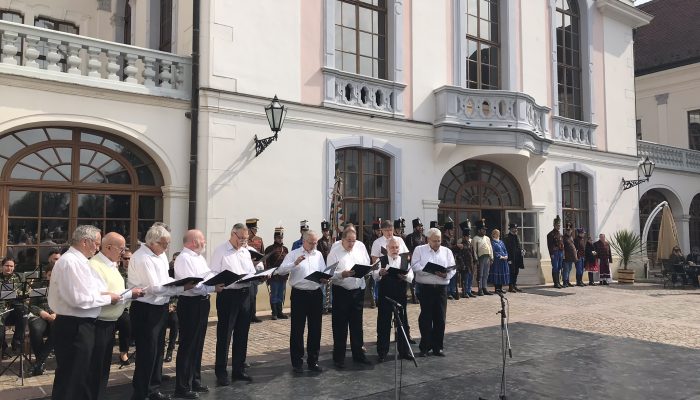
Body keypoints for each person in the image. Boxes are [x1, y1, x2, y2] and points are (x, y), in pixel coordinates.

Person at [48, 225, 121, 400]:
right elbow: (78, 299)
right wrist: (108, 298)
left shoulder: (81, 261)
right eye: (96, 243)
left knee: (80, 376)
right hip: (73, 325)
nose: (98, 247)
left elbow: (92, 289)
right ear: (84, 242)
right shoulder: (70, 262)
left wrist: (105, 294)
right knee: (71, 378)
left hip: (82, 325)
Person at [128, 224, 194, 400]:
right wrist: (181, 288)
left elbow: (165, 280)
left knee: (158, 351)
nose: (167, 247)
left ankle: (153, 388)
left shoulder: (161, 255)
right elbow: (155, 288)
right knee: (147, 352)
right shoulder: (142, 258)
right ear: (152, 242)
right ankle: (141, 392)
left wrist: (179, 282)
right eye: (164, 244)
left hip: (160, 307)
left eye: (168, 243)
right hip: (146, 309)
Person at [88, 232, 145, 400]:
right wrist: (129, 294)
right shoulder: (95, 265)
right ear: (108, 247)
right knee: (95, 369)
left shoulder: (111, 265)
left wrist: (130, 295)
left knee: (103, 369)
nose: (123, 252)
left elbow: (115, 292)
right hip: (98, 323)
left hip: (110, 322)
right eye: (121, 248)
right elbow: (99, 295)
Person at [173, 229, 224, 399]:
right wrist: (212, 288)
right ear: (194, 242)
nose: (205, 242)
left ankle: (195, 380)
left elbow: (206, 276)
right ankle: (182, 386)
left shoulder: (199, 257)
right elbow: (192, 286)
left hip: (202, 303)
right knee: (188, 345)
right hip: (190, 304)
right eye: (202, 239)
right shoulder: (184, 258)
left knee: (198, 344)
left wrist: (218, 278)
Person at [211, 223, 260, 385]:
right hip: (228, 296)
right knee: (225, 335)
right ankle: (221, 371)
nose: (244, 242)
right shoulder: (220, 251)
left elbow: (251, 271)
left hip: (245, 295)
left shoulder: (245, 251)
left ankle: (239, 370)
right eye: (241, 238)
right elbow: (213, 272)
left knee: (242, 334)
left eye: (246, 239)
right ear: (233, 234)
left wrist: (258, 276)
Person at [276, 230, 328, 373]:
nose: (313, 245)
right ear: (304, 241)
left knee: (315, 329)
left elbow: (323, 270)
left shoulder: (318, 255)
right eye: (311, 243)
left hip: (316, 293)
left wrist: (324, 278)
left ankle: (313, 361)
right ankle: (297, 362)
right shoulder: (293, 254)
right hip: (299, 294)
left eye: (315, 243)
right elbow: (281, 270)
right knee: (297, 329)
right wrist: (294, 263)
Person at [327, 229, 373, 368]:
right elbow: (329, 274)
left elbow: (367, 264)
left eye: (353, 241)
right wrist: (342, 274)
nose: (352, 244)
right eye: (349, 241)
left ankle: (358, 355)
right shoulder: (334, 252)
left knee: (357, 325)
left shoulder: (359, 249)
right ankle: (339, 358)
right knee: (340, 326)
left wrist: (367, 271)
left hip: (357, 292)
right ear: (342, 240)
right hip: (341, 292)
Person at [411, 227, 455, 357]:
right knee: (426, 318)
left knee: (440, 318)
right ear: (428, 240)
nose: (437, 243)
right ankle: (425, 347)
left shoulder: (447, 251)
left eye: (439, 240)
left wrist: (445, 275)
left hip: (441, 289)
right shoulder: (419, 250)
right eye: (434, 241)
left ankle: (438, 347)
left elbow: (452, 268)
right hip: (425, 288)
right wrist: (430, 271)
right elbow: (415, 266)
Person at [374, 237, 414, 362]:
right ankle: (382, 352)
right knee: (383, 325)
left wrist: (405, 276)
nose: (395, 250)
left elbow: (411, 277)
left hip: (400, 297)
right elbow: (374, 276)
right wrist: (380, 273)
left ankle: (404, 351)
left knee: (403, 324)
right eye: (392, 247)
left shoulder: (405, 260)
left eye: (397, 247)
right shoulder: (381, 260)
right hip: (385, 297)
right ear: (387, 248)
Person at [28, 265, 54, 376]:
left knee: (58, 329)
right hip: (40, 315)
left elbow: (67, 304)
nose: (53, 277)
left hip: (57, 315)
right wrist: (42, 313)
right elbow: (32, 305)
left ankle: (38, 363)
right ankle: (40, 362)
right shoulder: (38, 286)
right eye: (50, 275)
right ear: (46, 275)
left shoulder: (63, 286)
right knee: (35, 329)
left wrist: (56, 313)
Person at [0, 256, 25, 356]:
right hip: (2, 308)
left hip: (16, 307)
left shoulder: (19, 277)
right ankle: (3, 347)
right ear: (2, 266)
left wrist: (17, 293)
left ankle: (17, 342)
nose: (9, 268)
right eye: (7, 265)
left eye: (11, 266)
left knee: (24, 314)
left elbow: (26, 291)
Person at [265, 226, 289, 320]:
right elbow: (266, 263)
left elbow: (287, 263)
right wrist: (268, 274)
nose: (280, 239)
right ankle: (274, 313)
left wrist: (286, 273)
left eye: (281, 238)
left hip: (283, 276)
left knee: (281, 295)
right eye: (278, 238)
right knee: (274, 294)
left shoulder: (285, 249)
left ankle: (280, 312)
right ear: (275, 238)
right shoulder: (269, 249)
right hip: (274, 276)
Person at [116, 249, 133, 366]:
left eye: (130, 258)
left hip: (135, 305)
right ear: (121, 259)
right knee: (125, 321)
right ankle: (123, 352)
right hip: (121, 307)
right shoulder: (117, 272)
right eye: (125, 258)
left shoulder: (136, 272)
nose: (127, 261)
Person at [246, 218, 264, 324]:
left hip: (256, 271)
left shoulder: (259, 240)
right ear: (249, 230)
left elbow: (262, 256)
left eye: (256, 229)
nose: (255, 231)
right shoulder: (244, 240)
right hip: (246, 272)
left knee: (254, 294)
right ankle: (247, 315)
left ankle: (253, 315)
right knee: (248, 295)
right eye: (254, 229)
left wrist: (264, 272)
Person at [455, 221, 478, 298]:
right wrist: (462, 264)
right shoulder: (461, 243)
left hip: (470, 264)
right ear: (464, 237)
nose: (468, 237)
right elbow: (459, 255)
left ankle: (469, 290)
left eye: (469, 236)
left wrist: (475, 260)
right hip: (465, 264)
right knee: (465, 279)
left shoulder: (469, 243)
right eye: (467, 236)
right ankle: (464, 292)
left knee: (470, 278)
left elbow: (472, 252)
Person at [405, 218, 426, 304]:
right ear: (415, 227)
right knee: (413, 279)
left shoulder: (424, 237)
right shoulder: (410, 237)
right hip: (413, 260)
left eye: (421, 226)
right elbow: (409, 249)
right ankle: (414, 296)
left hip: (422, 260)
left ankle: (420, 295)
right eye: (419, 226)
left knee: (421, 278)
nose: (421, 228)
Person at [471, 220, 494, 296]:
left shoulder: (487, 238)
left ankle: (485, 287)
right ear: (479, 230)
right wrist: (476, 259)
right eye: (483, 229)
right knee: (480, 274)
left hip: (487, 257)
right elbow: (474, 250)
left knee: (486, 274)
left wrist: (492, 257)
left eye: (485, 229)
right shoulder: (475, 239)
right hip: (480, 258)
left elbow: (490, 248)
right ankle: (480, 288)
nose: (484, 231)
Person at [364, 219, 382, 308]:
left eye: (380, 230)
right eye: (378, 230)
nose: (379, 232)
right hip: (372, 263)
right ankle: (373, 301)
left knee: (378, 283)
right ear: (374, 230)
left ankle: (378, 300)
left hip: (380, 263)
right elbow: (368, 252)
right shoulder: (370, 239)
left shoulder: (382, 240)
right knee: (372, 284)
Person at [316, 221, 333, 313]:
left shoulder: (332, 241)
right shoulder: (320, 242)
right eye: (324, 231)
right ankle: (323, 305)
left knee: (330, 287)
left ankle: (330, 304)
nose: (326, 232)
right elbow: (321, 254)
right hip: (324, 265)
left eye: (327, 230)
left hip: (331, 266)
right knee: (323, 286)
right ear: (322, 232)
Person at [503, 223, 524, 293]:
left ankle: (515, 285)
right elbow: (506, 249)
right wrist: (508, 259)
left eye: (516, 228)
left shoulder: (517, 236)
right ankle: (511, 287)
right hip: (511, 258)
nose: (516, 230)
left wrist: (522, 250)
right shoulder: (507, 237)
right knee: (511, 272)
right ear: (511, 229)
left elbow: (518, 246)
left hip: (517, 257)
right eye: (514, 228)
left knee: (516, 272)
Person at [488, 229, 510, 294]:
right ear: (493, 234)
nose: (498, 235)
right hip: (497, 261)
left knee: (502, 273)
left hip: (503, 260)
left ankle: (500, 288)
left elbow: (505, 250)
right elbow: (493, 251)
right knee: (497, 273)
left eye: (498, 233)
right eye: (496, 233)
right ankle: (497, 288)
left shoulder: (501, 242)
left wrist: (506, 255)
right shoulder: (492, 243)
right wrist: (500, 256)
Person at [442, 219, 459, 300]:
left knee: (453, 276)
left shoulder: (451, 239)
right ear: (447, 230)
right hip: (446, 261)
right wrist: (456, 247)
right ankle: (448, 292)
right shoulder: (443, 239)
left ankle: (452, 291)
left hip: (452, 260)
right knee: (448, 276)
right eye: (451, 229)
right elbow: (447, 249)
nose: (453, 231)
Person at [547, 215, 564, 288]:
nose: (558, 226)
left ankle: (558, 282)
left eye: (559, 225)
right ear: (554, 225)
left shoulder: (560, 234)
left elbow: (561, 243)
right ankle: (556, 283)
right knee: (555, 267)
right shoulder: (550, 234)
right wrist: (551, 254)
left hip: (560, 252)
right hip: (554, 253)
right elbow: (550, 245)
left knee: (559, 267)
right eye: (557, 225)